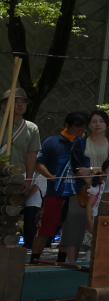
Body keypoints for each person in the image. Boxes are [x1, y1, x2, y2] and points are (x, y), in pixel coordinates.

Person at [30, 111, 91, 264]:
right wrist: (50, 176)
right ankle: (35, 259)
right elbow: (39, 163)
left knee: (69, 231)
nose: (79, 131)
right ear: (67, 125)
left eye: (82, 128)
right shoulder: (52, 142)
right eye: (76, 127)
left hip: (76, 193)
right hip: (55, 192)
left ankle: (62, 261)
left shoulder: (84, 144)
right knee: (46, 228)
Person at [3, 88, 42, 249]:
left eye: (23, 102)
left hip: (16, 177)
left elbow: (31, 155)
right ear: (4, 105)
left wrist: (29, 178)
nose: (20, 105)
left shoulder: (31, 128)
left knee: (11, 214)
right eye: (15, 102)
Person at [84, 109, 109, 175]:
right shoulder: (82, 143)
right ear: (89, 125)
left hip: (104, 181)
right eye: (94, 122)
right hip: (84, 181)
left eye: (101, 121)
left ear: (106, 124)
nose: (98, 124)